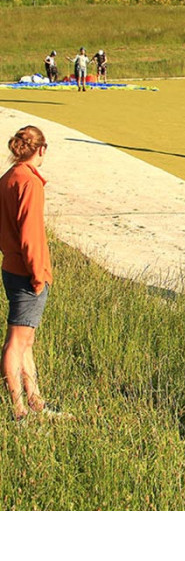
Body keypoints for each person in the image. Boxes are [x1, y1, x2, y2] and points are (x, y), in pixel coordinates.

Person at [0, 126, 61, 421]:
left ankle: (35, 400)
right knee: (16, 339)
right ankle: (19, 410)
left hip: (11, 267)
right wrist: (39, 274)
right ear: (41, 149)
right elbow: (31, 234)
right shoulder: (29, 182)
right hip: (27, 271)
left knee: (26, 340)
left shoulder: (7, 178)